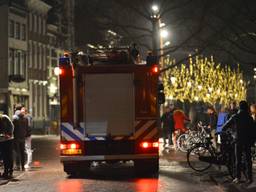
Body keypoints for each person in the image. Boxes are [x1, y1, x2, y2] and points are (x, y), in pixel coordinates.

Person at [223, 100, 254, 184]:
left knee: (238, 160)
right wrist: (252, 141)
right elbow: (253, 131)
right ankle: (249, 178)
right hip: (247, 141)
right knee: (248, 160)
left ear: (239, 107)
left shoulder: (235, 116)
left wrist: (232, 132)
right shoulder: (250, 118)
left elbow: (224, 127)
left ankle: (238, 177)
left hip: (238, 141)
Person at [0, 113, 14, 179]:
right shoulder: (5, 117)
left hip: (6, 140)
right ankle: (8, 172)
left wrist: (9, 134)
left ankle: (8, 172)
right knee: (6, 156)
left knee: (7, 156)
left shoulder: (4, 117)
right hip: (4, 140)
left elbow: (11, 126)